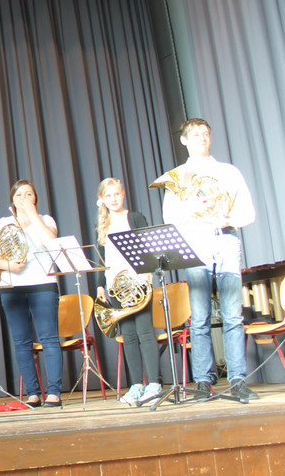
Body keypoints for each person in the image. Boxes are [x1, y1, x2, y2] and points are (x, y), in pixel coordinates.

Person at [159, 118, 257, 401]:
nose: (202, 138)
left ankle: (238, 379)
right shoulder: (176, 176)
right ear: (184, 140)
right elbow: (169, 219)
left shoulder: (228, 172)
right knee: (199, 318)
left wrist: (230, 217)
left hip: (225, 240)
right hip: (197, 244)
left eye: (205, 134)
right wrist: (193, 207)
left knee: (233, 315)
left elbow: (248, 213)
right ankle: (203, 381)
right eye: (195, 134)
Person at [0, 179, 62, 408]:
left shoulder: (46, 220)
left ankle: (54, 392)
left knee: (49, 338)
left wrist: (32, 215)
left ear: (35, 198)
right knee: (21, 342)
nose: (24, 198)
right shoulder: (3, 224)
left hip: (43, 283)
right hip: (12, 286)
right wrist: (8, 266)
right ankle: (33, 393)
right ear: (12, 200)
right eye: (19, 195)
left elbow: (52, 242)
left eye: (29, 194)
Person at [94, 178, 161, 406]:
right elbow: (102, 259)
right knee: (129, 337)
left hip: (137, 283)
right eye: (108, 195)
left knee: (145, 333)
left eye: (116, 194)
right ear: (102, 199)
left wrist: (148, 271)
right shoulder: (103, 224)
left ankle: (154, 384)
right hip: (116, 287)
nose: (113, 199)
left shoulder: (135, 217)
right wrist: (100, 285)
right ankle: (136, 386)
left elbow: (149, 247)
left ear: (123, 194)